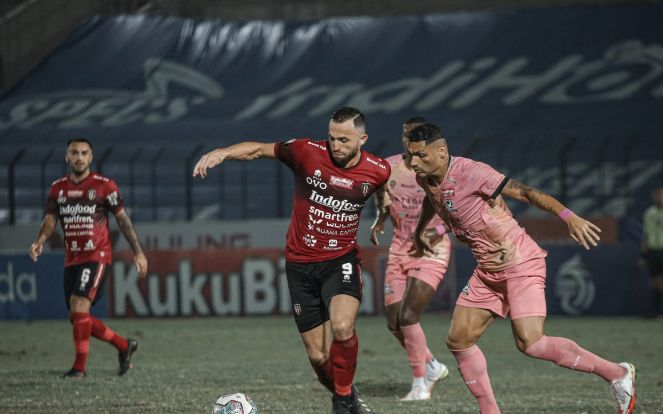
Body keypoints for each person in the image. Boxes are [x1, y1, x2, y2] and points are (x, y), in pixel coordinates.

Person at [406, 123, 636, 414]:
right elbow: (438, 202)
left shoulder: (472, 172)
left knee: (531, 342)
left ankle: (617, 373)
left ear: (442, 151)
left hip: (520, 262)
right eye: (411, 155)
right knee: (459, 340)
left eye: (421, 156)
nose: (414, 163)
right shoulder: (426, 177)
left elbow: (525, 192)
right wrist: (431, 230)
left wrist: (568, 216)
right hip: (488, 271)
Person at [193, 107, 390, 414]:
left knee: (341, 326)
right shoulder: (306, 152)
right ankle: (350, 397)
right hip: (300, 265)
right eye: (331, 137)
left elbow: (381, 190)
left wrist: (380, 217)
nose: (335, 145)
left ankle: (340, 403)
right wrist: (224, 152)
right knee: (317, 355)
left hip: (341, 261)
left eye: (343, 139)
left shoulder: (378, 169)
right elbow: (259, 150)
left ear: (362, 139)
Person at [30, 138, 148, 378]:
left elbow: (123, 220)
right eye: (74, 153)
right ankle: (124, 346)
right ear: (67, 157)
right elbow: (51, 219)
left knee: (80, 306)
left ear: (91, 158)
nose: (79, 157)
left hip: (97, 255)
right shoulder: (57, 189)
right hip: (72, 258)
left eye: (84, 153)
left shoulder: (105, 186)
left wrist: (138, 251)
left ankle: (79, 369)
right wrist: (40, 240)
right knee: (78, 317)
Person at [369, 116, 451, 401]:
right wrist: (380, 218)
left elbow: (455, 214)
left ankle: (419, 384)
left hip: (431, 250)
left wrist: (436, 231)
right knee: (393, 322)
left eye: (414, 136)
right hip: (399, 248)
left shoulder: (437, 171)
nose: (408, 140)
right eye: (405, 135)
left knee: (408, 316)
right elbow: (381, 193)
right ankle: (432, 366)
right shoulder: (389, 166)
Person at [642, 185, 663, 318]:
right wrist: (644, 253)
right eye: (657, 195)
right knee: (655, 282)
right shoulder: (650, 213)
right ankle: (656, 312)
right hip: (654, 251)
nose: (659, 197)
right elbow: (646, 234)